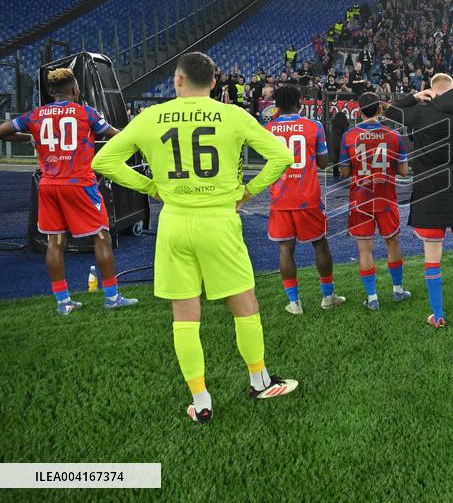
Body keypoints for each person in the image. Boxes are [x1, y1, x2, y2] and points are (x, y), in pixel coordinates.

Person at [92, 52, 297, 424]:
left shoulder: (151, 117)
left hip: (173, 222)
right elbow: (282, 157)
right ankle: (258, 380)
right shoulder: (233, 115)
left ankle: (201, 401)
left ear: (177, 80)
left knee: (184, 317)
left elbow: (102, 162)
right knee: (244, 304)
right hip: (219, 220)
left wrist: (151, 187)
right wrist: (249, 190)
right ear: (215, 83)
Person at [0, 68, 138, 314]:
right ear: (75, 90)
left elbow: (4, 130)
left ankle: (63, 302)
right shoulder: (86, 113)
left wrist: (26, 138)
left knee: (55, 242)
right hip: (80, 184)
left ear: (52, 92)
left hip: (49, 186)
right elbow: (115, 137)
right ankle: (112, 297)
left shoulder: (36, 115)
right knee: (102, 237)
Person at [384, 73, 453, 328]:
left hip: (429, 195)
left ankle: (438, 315)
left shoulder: (419, 114)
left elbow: (390, 111)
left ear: (431, 91)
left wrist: (414, 97)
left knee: (433, 258)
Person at [264, 85, 344, 315]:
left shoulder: (268, 129)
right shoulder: (314, 126)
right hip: (307, 197)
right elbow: (323, 163)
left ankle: (294, 303)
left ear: (277, 105)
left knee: (285, 250)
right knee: (320, 244)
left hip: (280, 197)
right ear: (299, 102)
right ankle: (328, 296)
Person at [339, 92, 412, 310]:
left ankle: (372, 298)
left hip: (361, 199)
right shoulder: (393, 135)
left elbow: (344, 172)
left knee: (365, 250)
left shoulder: (349, 135)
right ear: (380, 109)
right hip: (386, 197)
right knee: (392, 242)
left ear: (359, 110)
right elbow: (404, 171)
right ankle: (398, 290)